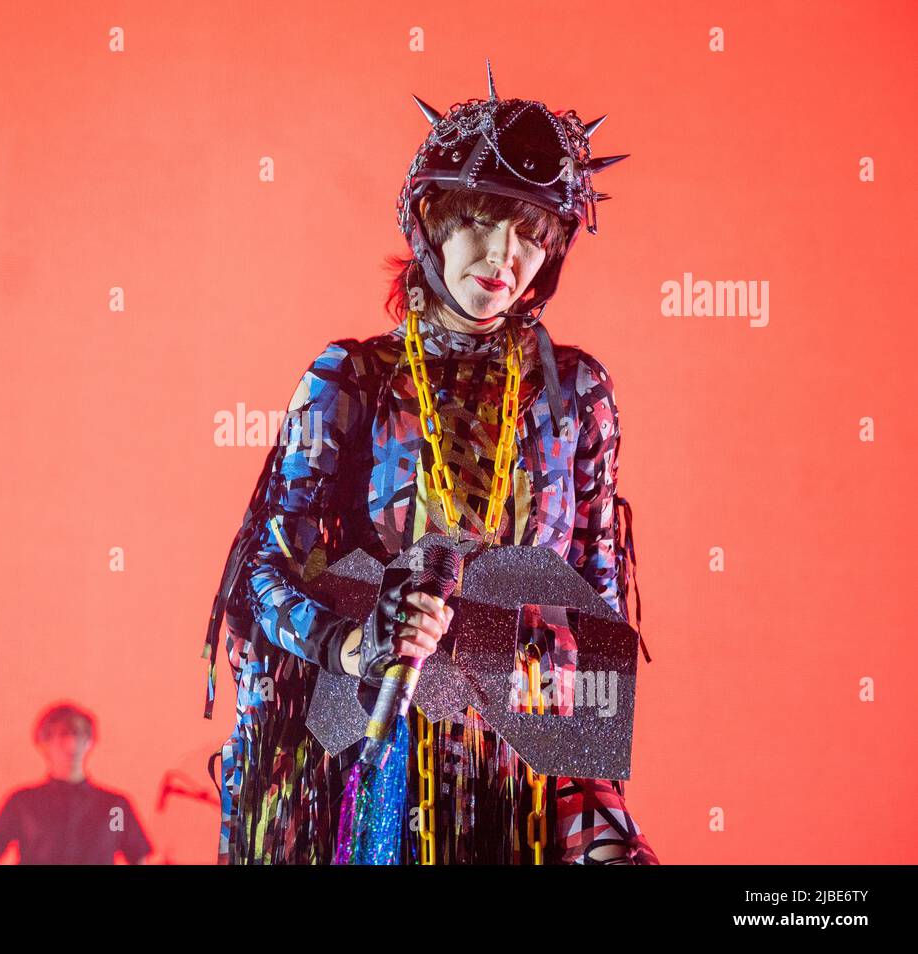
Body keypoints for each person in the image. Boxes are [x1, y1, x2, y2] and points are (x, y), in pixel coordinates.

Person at [202, 61, 660, 865]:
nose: (504, 256)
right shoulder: (350, 379)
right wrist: (350, 641)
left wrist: (598, 804)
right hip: (364, 762)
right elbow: (266, 573)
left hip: (516, 780)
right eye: (483, 221)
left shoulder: (578, 394)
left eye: (531, 236)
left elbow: (595, 613)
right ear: (431, 220)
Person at [0, 703, 153, 865]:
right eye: (62, 735)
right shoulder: (22, 803)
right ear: (43, 743)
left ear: (90, 742)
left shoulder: (116, 807)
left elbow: (139, 857)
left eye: (80, 735)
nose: (72, 745)